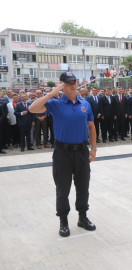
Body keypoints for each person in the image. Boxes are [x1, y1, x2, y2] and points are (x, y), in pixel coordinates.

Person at [29, 71, 97, 238]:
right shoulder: (55, 104)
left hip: (81, 151)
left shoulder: (85, 103)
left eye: (74, 81)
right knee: (62, 189)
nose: (73, 85)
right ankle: (63, 221)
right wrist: (51, 94)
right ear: (61, 85)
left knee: (83, 187)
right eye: (68, 83)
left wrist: (94, 148)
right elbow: (32, 108)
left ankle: (82, 217)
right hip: (62, 153)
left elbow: (91, 127)